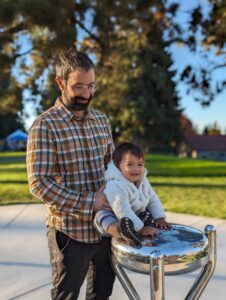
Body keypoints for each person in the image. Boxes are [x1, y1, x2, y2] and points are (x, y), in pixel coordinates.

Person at [26, 47, 115, 300]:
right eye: (79, 87)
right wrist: (91, 202)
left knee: (102, 295)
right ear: (60, 83)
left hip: (106, 229)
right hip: (69, 234)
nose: (87, 94)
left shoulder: (102, 121)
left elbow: (112, 168)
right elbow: (38, 183)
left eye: (92, 86)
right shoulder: (44, 125)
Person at [94, 142, 171, 248]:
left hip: (133, 214)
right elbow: (122, 209)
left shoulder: (143, 181)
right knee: (102, 217)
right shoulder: (116, 184)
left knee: (147, 212)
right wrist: (140, 229)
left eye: (140, 164)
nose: (136, 169)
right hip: (115, 214)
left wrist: (159, 218)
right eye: (129, 164)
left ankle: (139, 223)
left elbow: (153, 198)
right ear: (118, 167)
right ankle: (123, 232)